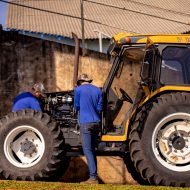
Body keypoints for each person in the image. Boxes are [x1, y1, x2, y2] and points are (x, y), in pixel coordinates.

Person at [74, 73, 102, 184]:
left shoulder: (78, 89)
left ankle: (93, 178)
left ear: (80, 81)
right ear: (88, 80)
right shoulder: (98, 90)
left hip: (85, 123)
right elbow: (99, 108)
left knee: (88, 150)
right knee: (92, 150)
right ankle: (94, 176)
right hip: (96, 123)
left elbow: (76, 106)